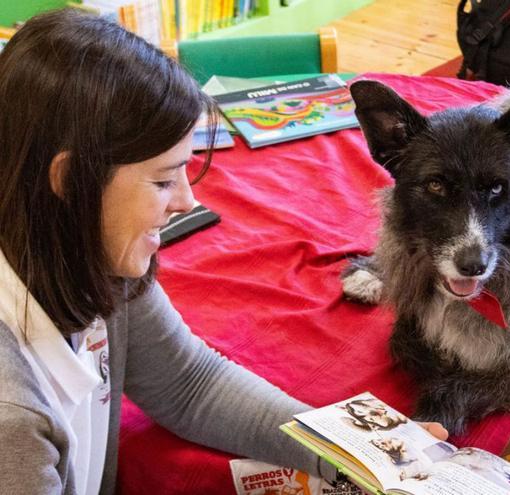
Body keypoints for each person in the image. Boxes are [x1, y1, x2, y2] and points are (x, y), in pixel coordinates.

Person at [0, 10, 447, 495]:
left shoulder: (88, 254)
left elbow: (189, 383)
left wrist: (361, 448)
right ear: (70, 181)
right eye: (163, 179)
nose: (188, 202)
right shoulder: (12, 418)